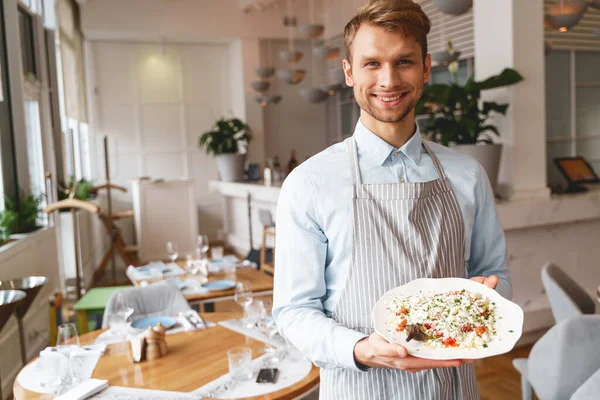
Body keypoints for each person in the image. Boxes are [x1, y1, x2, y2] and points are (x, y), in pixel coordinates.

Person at [273, 0, 511, 398]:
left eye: (404, 62)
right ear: (349, 72)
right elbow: (293, 311)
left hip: (452, 387)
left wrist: (480, 303)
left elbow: (496, 274)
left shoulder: (466, 174)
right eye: (371, 64)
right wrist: (362, 348)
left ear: (426, 68)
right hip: (359, 386)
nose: (389, 80)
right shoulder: (310, 183)